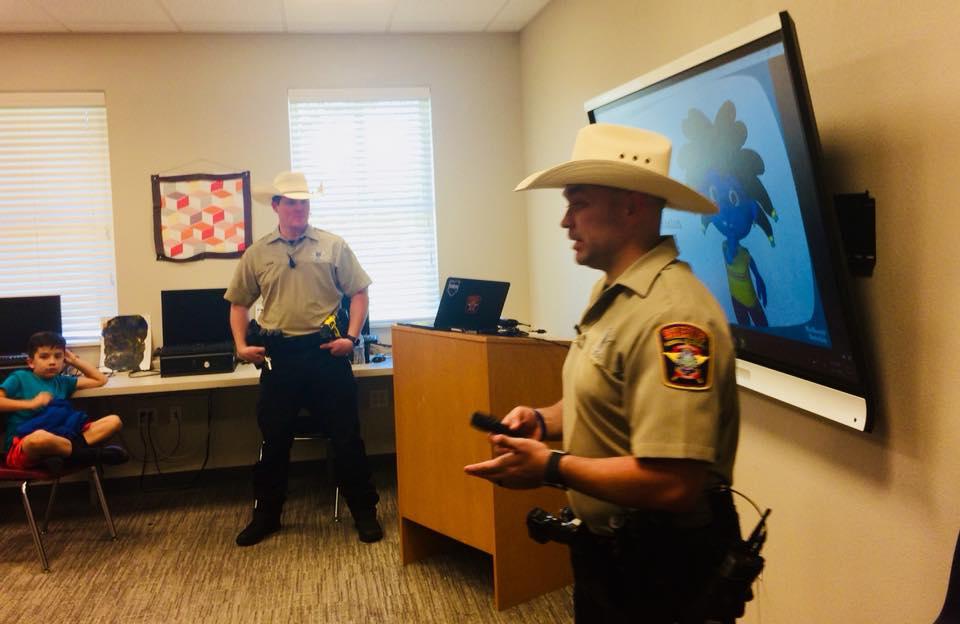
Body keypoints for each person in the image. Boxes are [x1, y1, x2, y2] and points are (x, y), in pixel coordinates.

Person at [464, 124, 743, 623]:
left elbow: (673, 483)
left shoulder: (674, 319)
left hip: (665, 570)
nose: (565, 221)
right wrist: (541, 421)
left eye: (579, 203)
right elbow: (608, 403)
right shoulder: (612, 293)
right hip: (611, 556)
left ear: (632, 205)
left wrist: (549, 467)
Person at [226, 170, 382, 546]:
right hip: (280, 358)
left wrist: (352, 337)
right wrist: (240, 344)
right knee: (274, 441)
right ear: (276, 206)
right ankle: (267, 516)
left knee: (346, 438)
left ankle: (364, 513)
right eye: (291, 202)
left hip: (327, 353)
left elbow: (359, 292)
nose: (299, 208)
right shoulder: (257, 253)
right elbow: (238, 304)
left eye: (304, 202)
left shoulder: (333, 245)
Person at [0, 331, 128, 471]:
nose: (52, 361)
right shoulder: (19, 377)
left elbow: (100, 379)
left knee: (114, 421)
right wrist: (32, 403)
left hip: (62, 437)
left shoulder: (62, 382)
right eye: (44, 357)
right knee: (38, 438)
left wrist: (74, 361)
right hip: (23, 445)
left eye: (58, 356)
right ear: (31, 362)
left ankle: (65, 455)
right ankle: (89, 455)